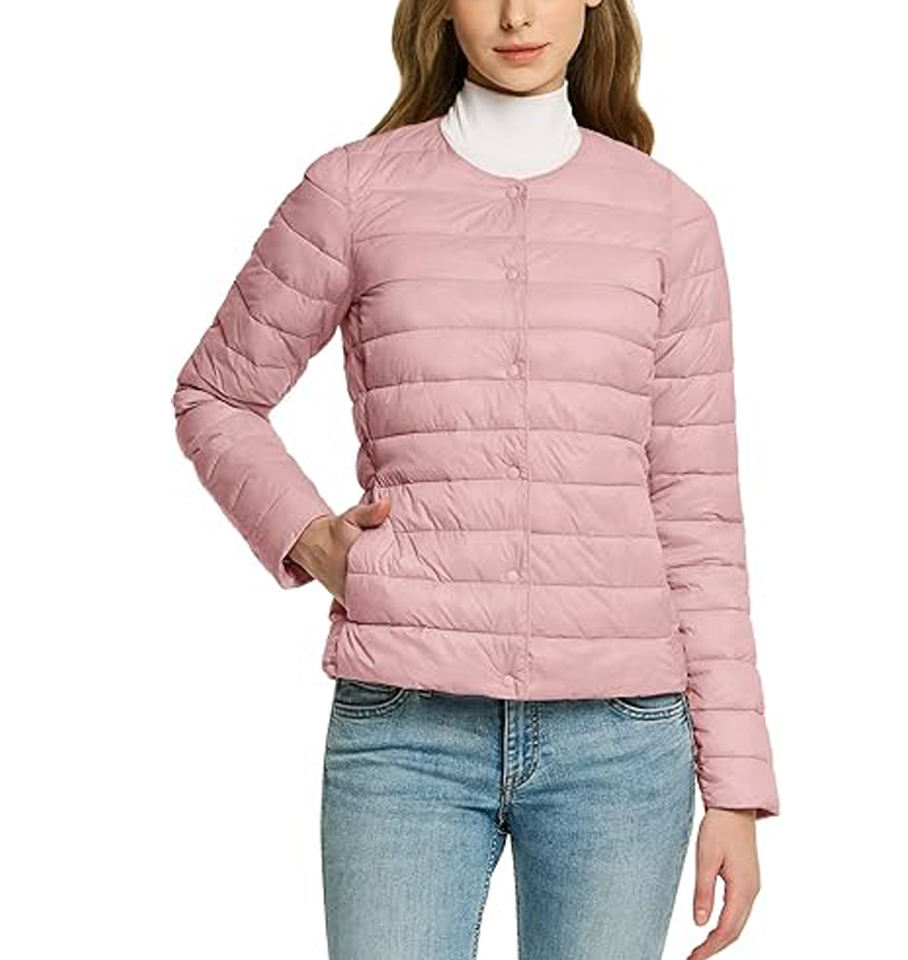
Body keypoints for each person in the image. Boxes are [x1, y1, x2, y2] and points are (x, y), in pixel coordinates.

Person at [171, 2, 779, 958]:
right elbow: (216, 394)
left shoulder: (669, 219)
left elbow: (697, 514)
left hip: (623, 746)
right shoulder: (351, 193)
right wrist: (309, 537)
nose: (517, 14)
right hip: (405, 730)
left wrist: (735, 791)